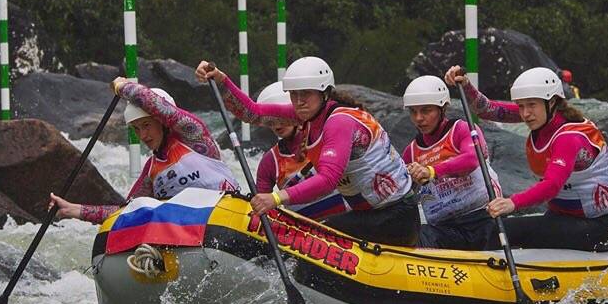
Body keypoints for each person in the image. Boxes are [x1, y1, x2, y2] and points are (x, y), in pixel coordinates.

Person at [195, 56, 419, 246]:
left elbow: (328, 180)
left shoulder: (340, 122)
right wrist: (221, 81)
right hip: (370, 214)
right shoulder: (307, 116)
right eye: (294, 94)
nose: (299, 101)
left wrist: (276, 198)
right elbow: (252, 113)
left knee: (317, 236)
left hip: (396, 216)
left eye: (306, 94)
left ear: (324, 93)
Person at [445, 65, 608, 251]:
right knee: (496, 228)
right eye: (521, 105)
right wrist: (465, 85)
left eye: (531, 105)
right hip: (560, 218)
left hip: (595, 228)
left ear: (553, 102)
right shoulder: (541, 115)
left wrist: (512, 203)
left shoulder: (569, 137)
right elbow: (488, 110)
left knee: (502, 230)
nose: (525, 113)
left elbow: (552, 185)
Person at [50, 77, 238, 223]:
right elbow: (128, 211)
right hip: (191, 233)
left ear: (163, 121)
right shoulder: (151, 171)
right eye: (137, 128)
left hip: (228, 215)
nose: (143, 135)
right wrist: (73, 210)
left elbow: (152, 103)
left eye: (147, 125)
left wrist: (121, 86)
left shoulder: (194, 136)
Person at [401, 75, 500, 250]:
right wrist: (408, 177)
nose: (418, 118)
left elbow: (472, 158)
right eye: (413, 111)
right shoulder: (411, 151)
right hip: (445, 229)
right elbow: (399, 190)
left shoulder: (462, 129)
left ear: (442, 108)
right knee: (414, 234)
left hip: (483, 218)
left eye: (426, 110)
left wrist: (431, 171)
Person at [254, 81, 348, 220]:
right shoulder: (269, 162)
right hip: (305, 236)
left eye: (281, 118)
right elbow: (260, 206)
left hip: (344, 225)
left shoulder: (326, 137)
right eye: (270, 121)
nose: (277, 125)